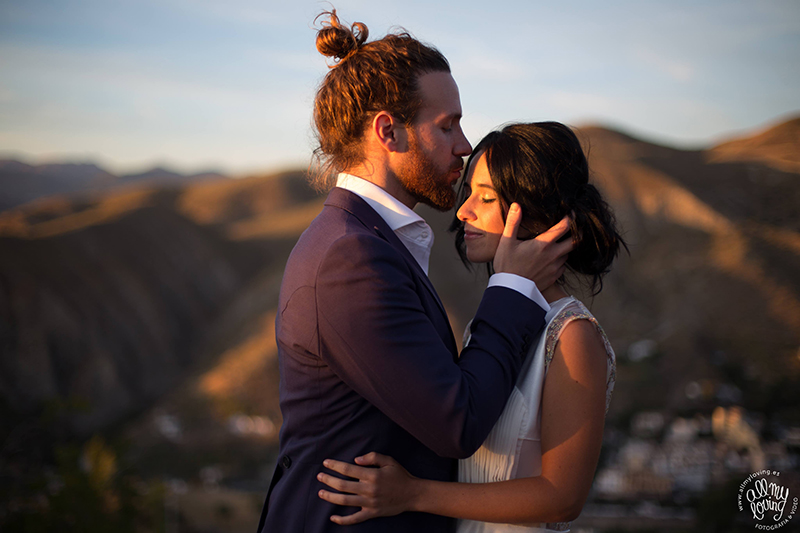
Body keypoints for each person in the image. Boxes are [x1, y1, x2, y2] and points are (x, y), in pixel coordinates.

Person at [256, 11, 574, 533]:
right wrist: (513, 285)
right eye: (447, 125)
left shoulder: (367, 240)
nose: (465, 144)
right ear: (389, 131)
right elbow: (458, 420)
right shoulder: (348, 258)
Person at [316, 122, 626, 532]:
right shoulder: (491, 322)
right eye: (467, 194)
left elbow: (562, 497)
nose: (463, 211)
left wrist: (413, 493)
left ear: (534, 210)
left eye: (487, 197)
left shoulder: (572, 336)